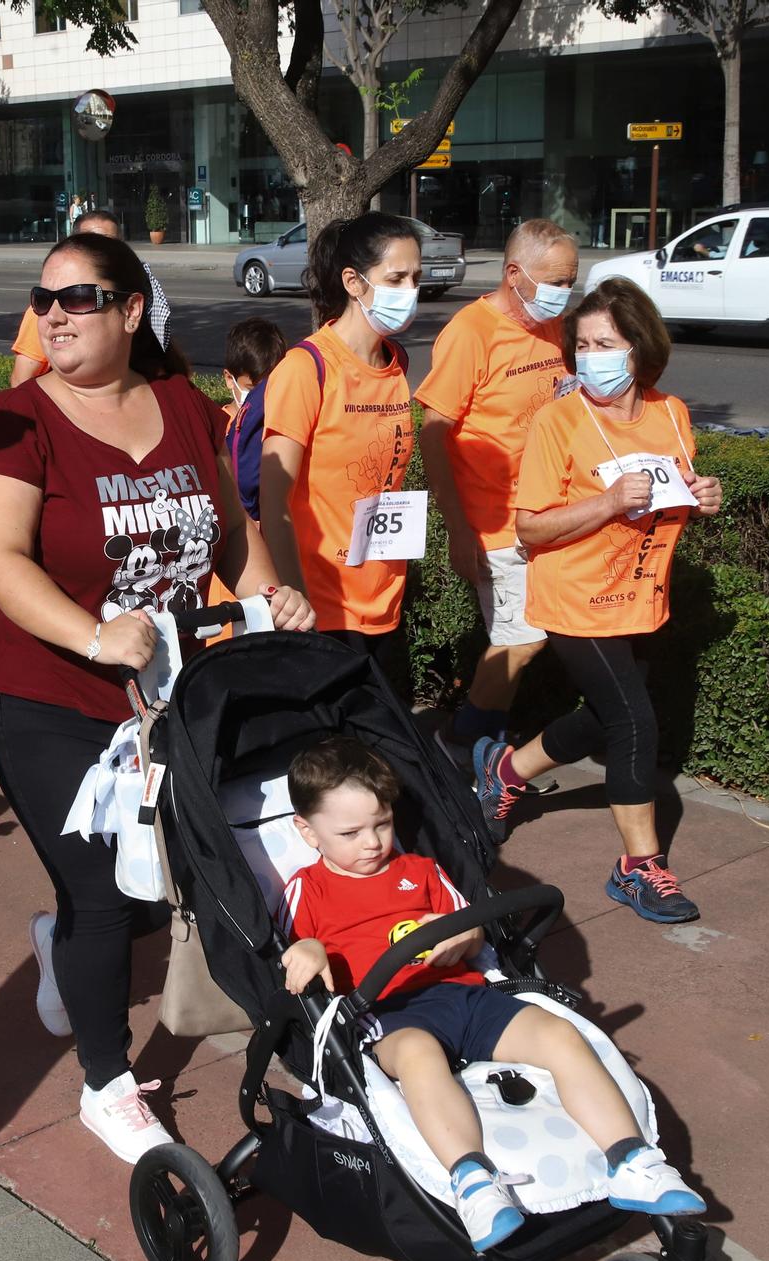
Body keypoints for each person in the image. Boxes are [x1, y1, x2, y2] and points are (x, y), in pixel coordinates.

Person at [0, 231, 311, 1165]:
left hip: (169, 696)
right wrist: (91, 634)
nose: (53, 315)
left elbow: (231, 530)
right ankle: (107, 1081)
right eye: (44, 301)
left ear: (129, 310)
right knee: (105, 894)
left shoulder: (182, 407)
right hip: (51, 698)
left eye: (76, 298)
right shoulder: (22, 418)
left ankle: (57, 941)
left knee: (171, 877)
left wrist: (270, 594)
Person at [276, 737, 704, 1252]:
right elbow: (291, 947)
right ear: (307, 831)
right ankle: (473, 1181)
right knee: (418, 1055)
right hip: (386, 1016)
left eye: (382, 824)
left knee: (560, 1035)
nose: (371, 842)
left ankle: (632, 1159)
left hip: (463, 996)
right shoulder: (308, 889)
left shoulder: (421, 871)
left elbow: (476, 935)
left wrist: (460, 933)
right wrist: (308, 950)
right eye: (350, 832)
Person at [474, 278, 722, 923]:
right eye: (582, 345)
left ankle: (507, 771)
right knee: (635, 722)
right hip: (573, 596)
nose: (592, 357)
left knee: (609, 714)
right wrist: (608, 502)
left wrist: (701, 497)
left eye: (605, 343)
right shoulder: (559, 420)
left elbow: (670, 501)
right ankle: (638, 869)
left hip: (640, 597)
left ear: (640, 348)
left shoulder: (672, 413)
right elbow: (529, 527)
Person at [418, 220, 578, 770]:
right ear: (514, 274)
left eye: (571, 280)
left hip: (550, 515)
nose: (565, 292)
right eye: (556, 280)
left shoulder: (551, 324)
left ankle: (485, 752)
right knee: (523, 641)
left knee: (519, 643)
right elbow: (433, 430)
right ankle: (457, 745)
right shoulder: (471, 332)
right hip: (494, 522)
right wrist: (458, 527)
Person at [259, 212, 422, 699]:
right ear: (353, 281)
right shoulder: (306, 368)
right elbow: (274, 500)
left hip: (384, 595)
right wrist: (293, 599)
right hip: (323, 608)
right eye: (396, 278)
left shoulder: (397, 364)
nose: (410, 289)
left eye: (416, 276)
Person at [10, 209, 150, 387]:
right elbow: (21, 379)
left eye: (111, 244)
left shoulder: (147, 301)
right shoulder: (44, 312)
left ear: (132, 310)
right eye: (89, 243)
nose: (53, 316)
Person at [220, 316, 286, 521]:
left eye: (268, 388)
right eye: (253, 389)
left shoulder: (282, 423)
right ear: (230, 379)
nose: (260, 398)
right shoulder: (217, 427)